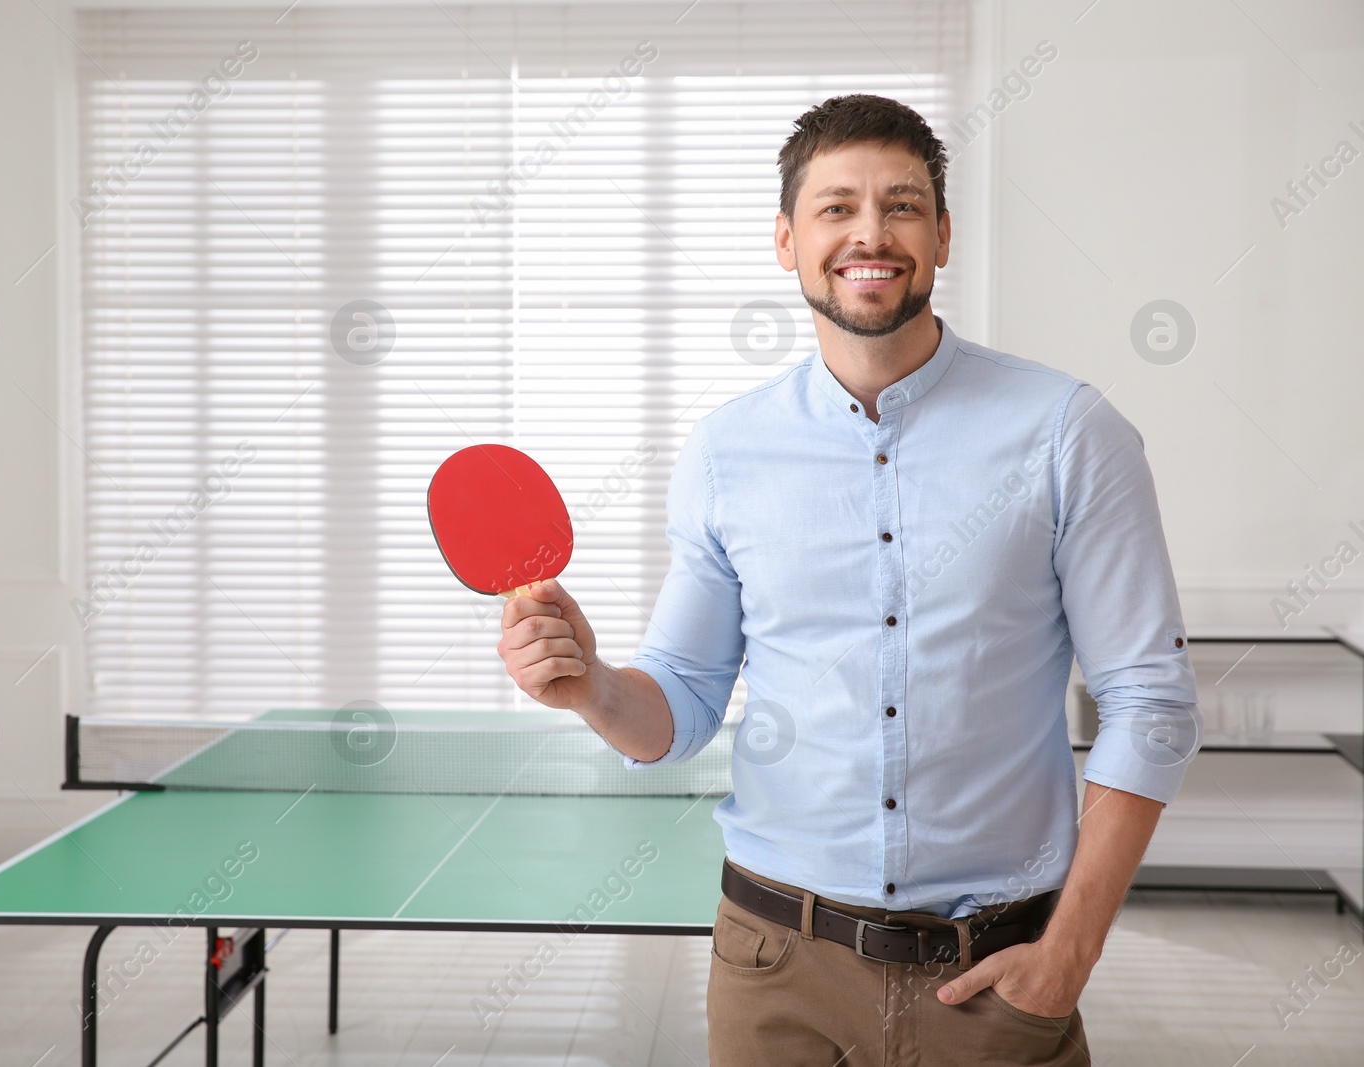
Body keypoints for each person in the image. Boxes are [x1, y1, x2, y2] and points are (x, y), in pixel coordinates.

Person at [497, 93, 1199, 1066]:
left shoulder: (1067, 433)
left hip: (996, 974)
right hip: (773, 971)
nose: (869, 231)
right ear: (786, 240)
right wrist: (590, 688)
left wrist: (1065, 957)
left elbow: (1150, 699)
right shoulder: (723, 452)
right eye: (835, 207)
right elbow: (681, 702)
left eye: (901, 204)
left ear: (943, 233)